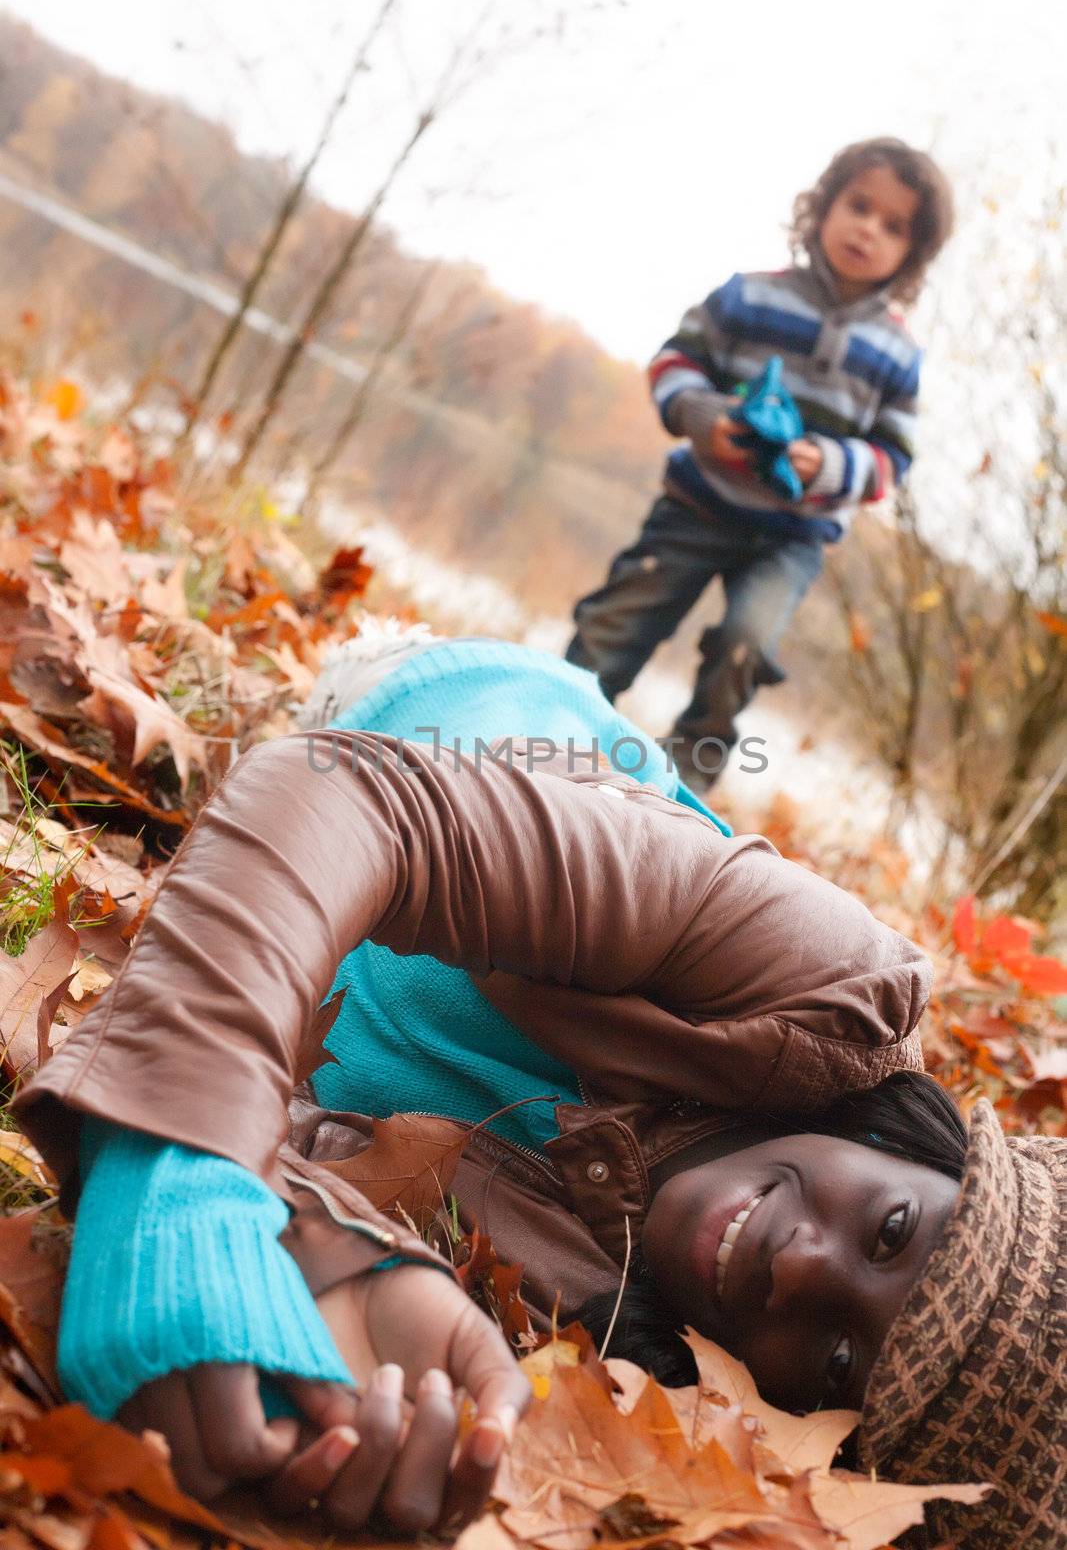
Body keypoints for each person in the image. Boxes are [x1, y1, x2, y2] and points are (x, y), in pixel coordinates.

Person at [15, 634, 1064, 1549]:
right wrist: (170, 1174)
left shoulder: (627, 1349)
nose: (802, 1265)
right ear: (924, 1150)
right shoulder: (829, 984)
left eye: (839, 1362)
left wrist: (350, 1270)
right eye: (888, 1230)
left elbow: (307, 1140)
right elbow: (341, 794)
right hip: (435, 715)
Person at [565, 137, 955, 790]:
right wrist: (697, 414)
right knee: (620, 616)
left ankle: (681, 776)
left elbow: (892, 458)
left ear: (910, 254)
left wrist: (831, 464)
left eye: (892, 226)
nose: (868, 228)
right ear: (823, 206)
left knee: (744, 643)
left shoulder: (896, 354)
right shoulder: (749, 296)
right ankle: (550, 728)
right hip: (696, 506)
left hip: (792, 538)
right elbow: (673, 359)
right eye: (858, 206)